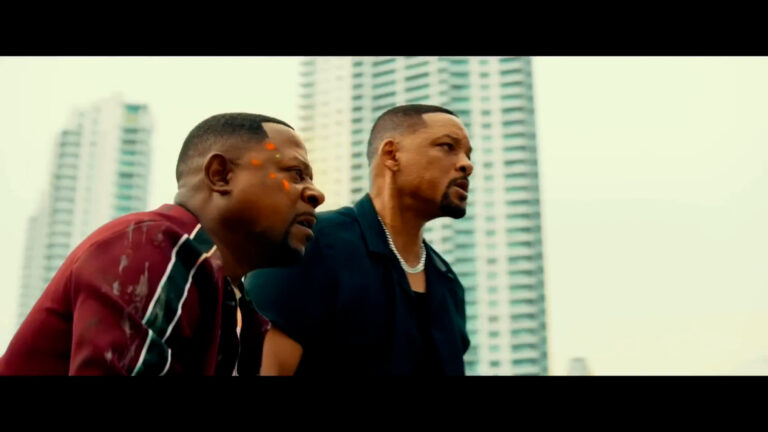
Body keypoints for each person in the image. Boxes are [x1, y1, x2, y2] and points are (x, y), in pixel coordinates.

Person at [0, 113, 325, 375]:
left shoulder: (238, 307)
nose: (316, 194)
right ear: (220, 175)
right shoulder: (150, 247)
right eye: (296, 174)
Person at [246, 104, 473, 375]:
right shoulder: (308, 243)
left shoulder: (448, 284)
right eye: (448, 147)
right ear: (392, 154)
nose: (467, 165)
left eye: (468, 154)